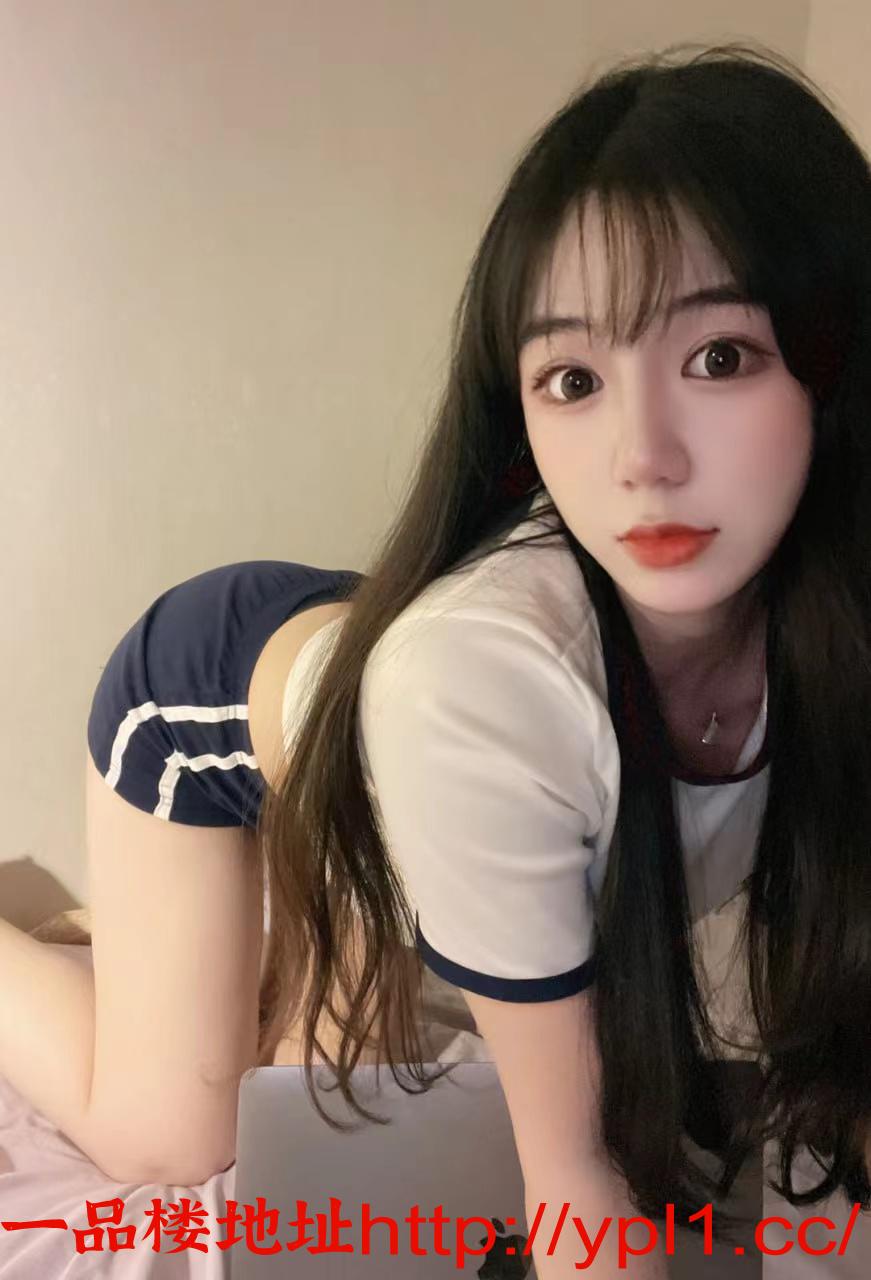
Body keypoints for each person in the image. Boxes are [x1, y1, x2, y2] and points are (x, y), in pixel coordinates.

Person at [2, 38, 870, 1278]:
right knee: (175, 1134)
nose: (641, 459)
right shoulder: (481, 691)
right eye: (572, 376)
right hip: (205, 704)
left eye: (717, 357)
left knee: (320, 1086)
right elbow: (574, 1174)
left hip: (395, 686)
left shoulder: (822, 620)